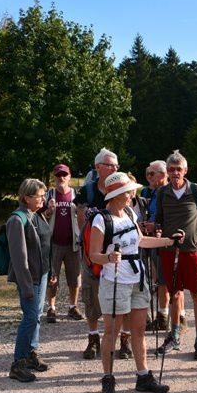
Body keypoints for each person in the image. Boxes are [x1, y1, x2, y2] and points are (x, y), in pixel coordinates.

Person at [91, 172, 181, 393]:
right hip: (114, 281)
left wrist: (169, 241)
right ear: (118, 194)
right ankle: (108, 379)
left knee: (139, 330)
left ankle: (143, 376)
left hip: (136, 279)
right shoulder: (101, 219)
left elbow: (140, 241)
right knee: (112, 331)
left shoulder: (130, 213)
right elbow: (94, 255)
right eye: (130, 191)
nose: (133, 194)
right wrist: (109, 257)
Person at [155, 150, 197, 360]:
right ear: (167, 172)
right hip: (170, 250)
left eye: (179, 169)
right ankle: (175, 336)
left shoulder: (196, 190)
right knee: (175, 293)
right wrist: (158, 230)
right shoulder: (162, 192)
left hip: (193, 251)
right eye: (171, 169)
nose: (175, 173)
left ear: (185, 170)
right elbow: (159, 218)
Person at [75, 148, 130, 359]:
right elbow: (82, 224)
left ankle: (124, 341)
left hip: (119, 256)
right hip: (92, 255)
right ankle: (93, 339)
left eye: (117, 165)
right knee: (91, 296)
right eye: (110, 165)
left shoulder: (122, 190)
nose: (115, 168)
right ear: (98, 167)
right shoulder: (87, 192)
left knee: (122, 295)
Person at [7, 178, 53, 382]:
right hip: (29, 278)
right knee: (30, 317)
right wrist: (26, 286)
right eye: (39, 196)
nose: (43, 199)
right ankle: (18, 364)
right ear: (26, 197)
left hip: (41, 275)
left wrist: (49, 271)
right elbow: (19, 258)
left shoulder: (36, 215)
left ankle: (30, 354)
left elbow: (44, 245)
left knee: (36, 316)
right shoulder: (17, 220)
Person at [43, 164, 84, 323]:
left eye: (64, 175)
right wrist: (49, 211)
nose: (61, 178)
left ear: (69, 176)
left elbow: (82, 217)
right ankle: (51, 308)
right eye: (58, 175)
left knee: (74, 278)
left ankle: (72, 307)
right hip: (53, 244)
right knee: (52, 277)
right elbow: (41, 218)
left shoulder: (76, 195)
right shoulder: (49, 194)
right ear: (54, 177)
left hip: (72, 243)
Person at [141, 160, 171, 331]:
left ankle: (164, 315)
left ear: (163, 174)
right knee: (151, 277)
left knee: (163, 280)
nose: (149, 177)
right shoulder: (147, 192)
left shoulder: (169, 192)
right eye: (147, 174)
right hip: (147, 239)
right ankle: (155, 315)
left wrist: (157, 226)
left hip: (164, 241)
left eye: (152, 174)